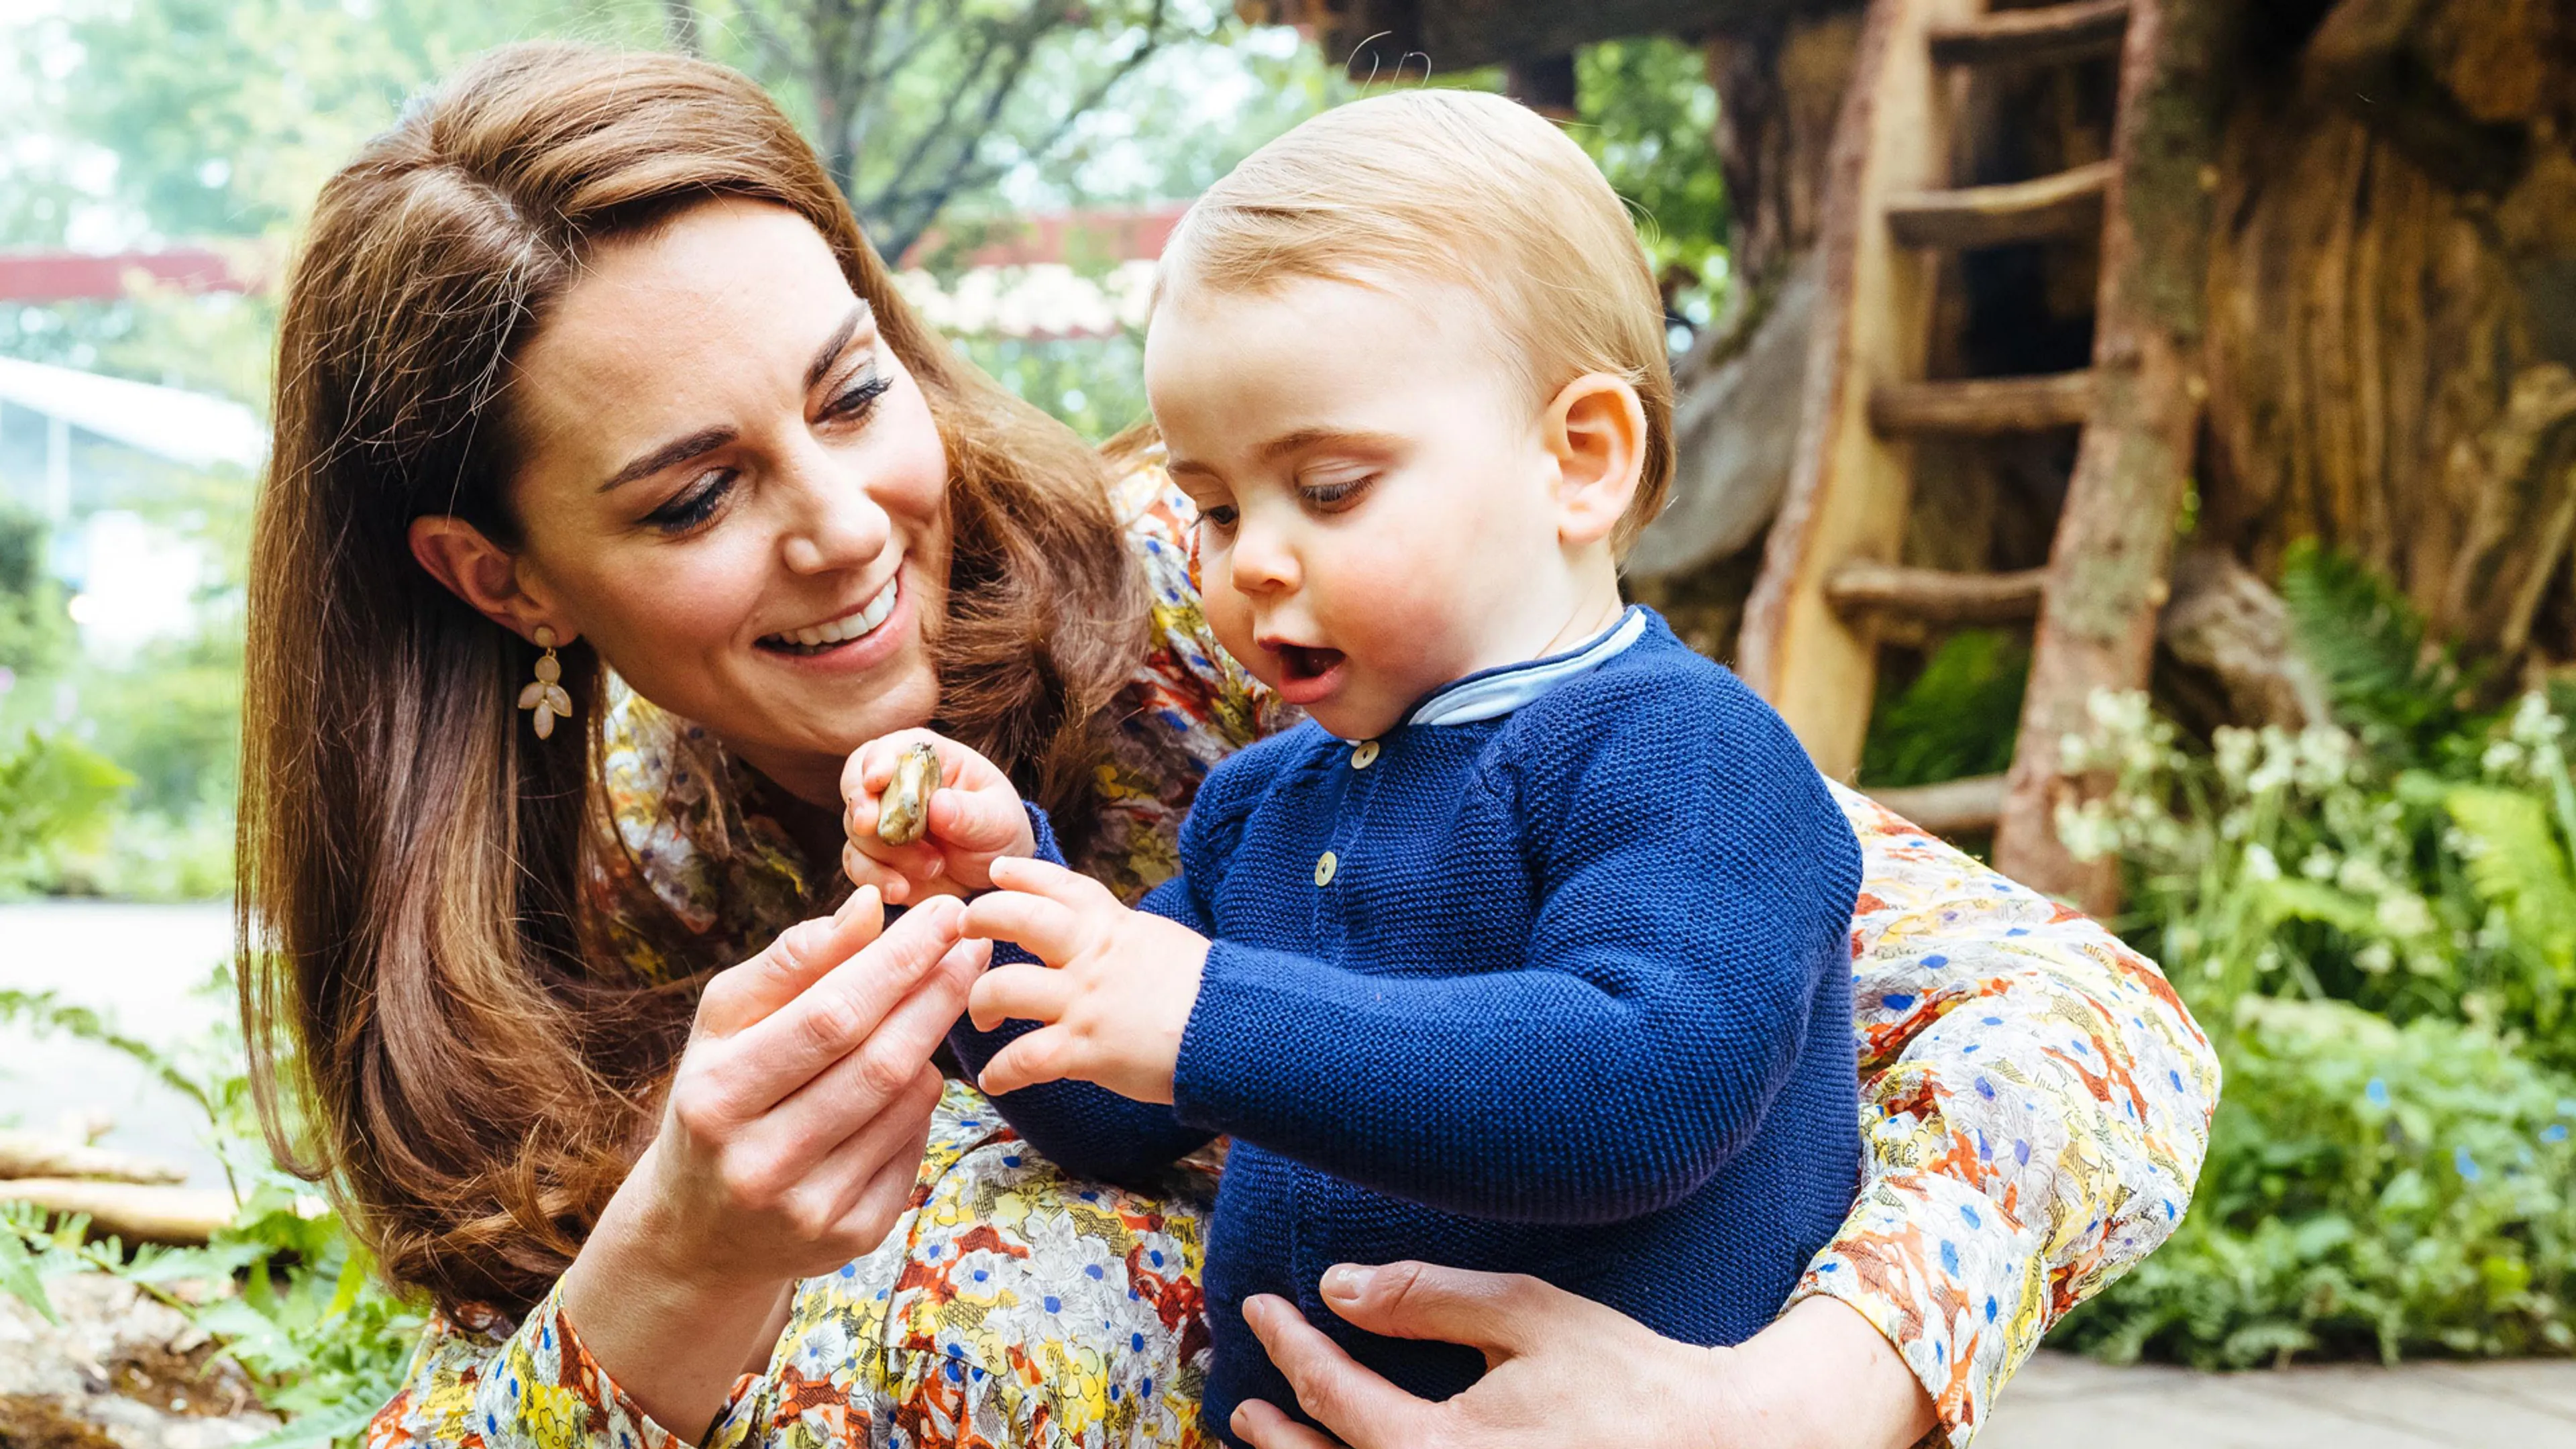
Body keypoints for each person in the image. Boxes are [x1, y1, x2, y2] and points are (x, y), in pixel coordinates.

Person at [235, 40, 2216, 1449]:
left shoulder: (1282, 614)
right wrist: (704, 1230)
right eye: (692, 501)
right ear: (503, 582)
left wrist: (1806, 1398)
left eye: (853, 395)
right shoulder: (589, 920)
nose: (842, 525)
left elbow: (2074, 1017)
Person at [838, 89, 1867, 1444]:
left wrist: (1209, 1015)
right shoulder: (1266, 807)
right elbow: (1106, 1106)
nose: (1247, 559)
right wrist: (988, 910)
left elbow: (1648, 1087)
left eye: (1327, 489)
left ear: (1581, 460)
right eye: (1212, 505)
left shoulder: (1683, 750)